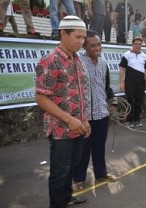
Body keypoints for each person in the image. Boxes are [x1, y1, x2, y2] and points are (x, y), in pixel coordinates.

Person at [35, 15, 89, 207]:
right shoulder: (50, 61)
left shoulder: (78, 60)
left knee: (72, 168)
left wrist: (85, 120)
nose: (82, 42)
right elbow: (41, 97)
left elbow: (81, 94)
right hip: (60, 130)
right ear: (63, 34)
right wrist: (69, 120)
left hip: (79, 127)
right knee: (60, 172)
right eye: (78, 37)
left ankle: (66, 199)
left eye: (84, 38)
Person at [73, 30, 117, 191]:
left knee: (99, 147)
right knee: (83, 150)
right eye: (93, 45)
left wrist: (113, 103)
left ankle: (101, 173)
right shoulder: (79, 63)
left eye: (99, 44)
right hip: (85, 116)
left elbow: (106, 87)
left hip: (102, 113)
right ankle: (78, 179)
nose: (97, 48)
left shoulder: (104, 63)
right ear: (85, 46)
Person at [119, 37, 146, 127]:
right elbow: (122, 70)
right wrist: (121, 83)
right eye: (136, 44)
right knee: (130, 101)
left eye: (139, 44)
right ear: (132, 44)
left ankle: (137, 120)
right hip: (129, 81)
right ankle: (129, 120)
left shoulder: (144, 56)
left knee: (139, 101)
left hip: (140, 82)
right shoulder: (126, 55)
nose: (138, 46)